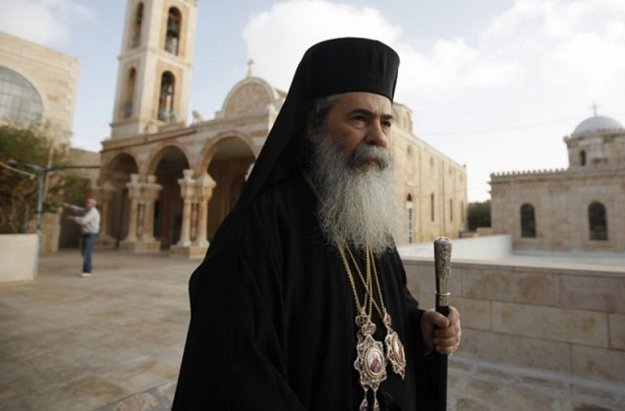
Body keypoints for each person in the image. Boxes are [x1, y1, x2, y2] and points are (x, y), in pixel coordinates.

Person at [172, 38, 462, 410]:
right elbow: (235, 375)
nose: (378, 138)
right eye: (360, 119)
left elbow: (391, 305)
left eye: (385, 122)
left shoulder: (370, 222)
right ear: (313, 125)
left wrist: (421, 324)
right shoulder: (258, 229)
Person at [64, 198, 100, 277]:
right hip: (86, 234)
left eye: (88, 203)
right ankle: (88, 268)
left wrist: (74, 218)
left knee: (87, 252)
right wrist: (69, 206)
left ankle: (87, 271)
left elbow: (84, 221)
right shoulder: (87, 210)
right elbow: (79, 210)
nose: (86, 204)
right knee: (84, 252)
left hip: (91, 234)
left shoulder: (93, 212)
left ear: (93, 205)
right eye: (86, 202)